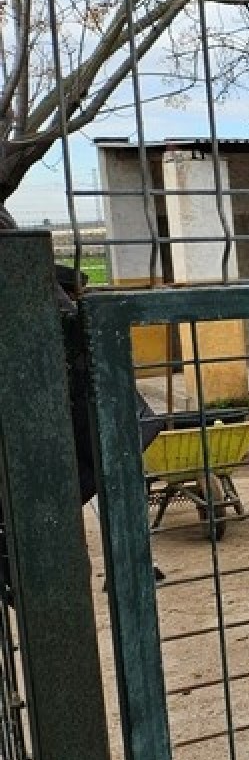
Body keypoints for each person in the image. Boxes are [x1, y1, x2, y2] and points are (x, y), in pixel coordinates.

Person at [0, 210, 162, 606]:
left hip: (88, 430)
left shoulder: (61, 325)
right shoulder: (53, 322)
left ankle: (128, 566)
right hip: (82, 433)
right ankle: (125, 566)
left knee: (110, 492)